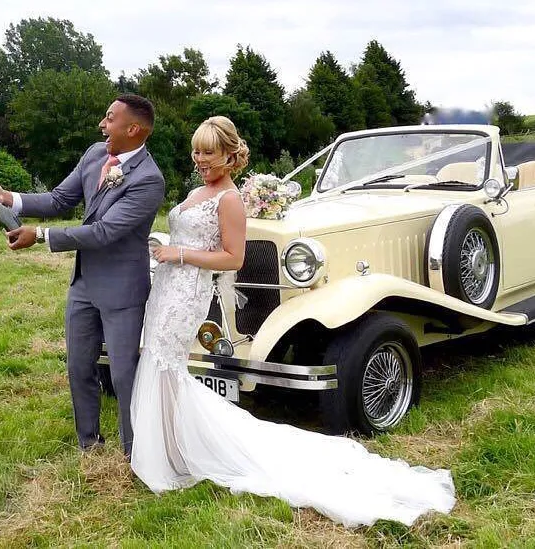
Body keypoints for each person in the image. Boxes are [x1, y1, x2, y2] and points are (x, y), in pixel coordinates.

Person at [129, 116, 456, 528]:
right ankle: (168, 448)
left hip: (186, 288)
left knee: (167, 365)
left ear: (231, 155)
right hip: (168, 291)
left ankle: (174, 456)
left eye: (209, 152)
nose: (200, 160)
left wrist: (179, 254)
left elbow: (234, 258)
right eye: (197, 151)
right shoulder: (197, 192)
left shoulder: (229, 199)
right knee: (159, 363)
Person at [0, 94, 165, 458]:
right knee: (79, 366)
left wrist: (42, 236)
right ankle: (89, 444)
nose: (102, 125)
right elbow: (59, 199)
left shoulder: (149, 180)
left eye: (109, 119)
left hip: (123, 291)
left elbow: (105, 232)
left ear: (133, 129)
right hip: (83, 286)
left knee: (124, 376)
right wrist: (8, 197)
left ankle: (135, 452)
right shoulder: (96, 154)